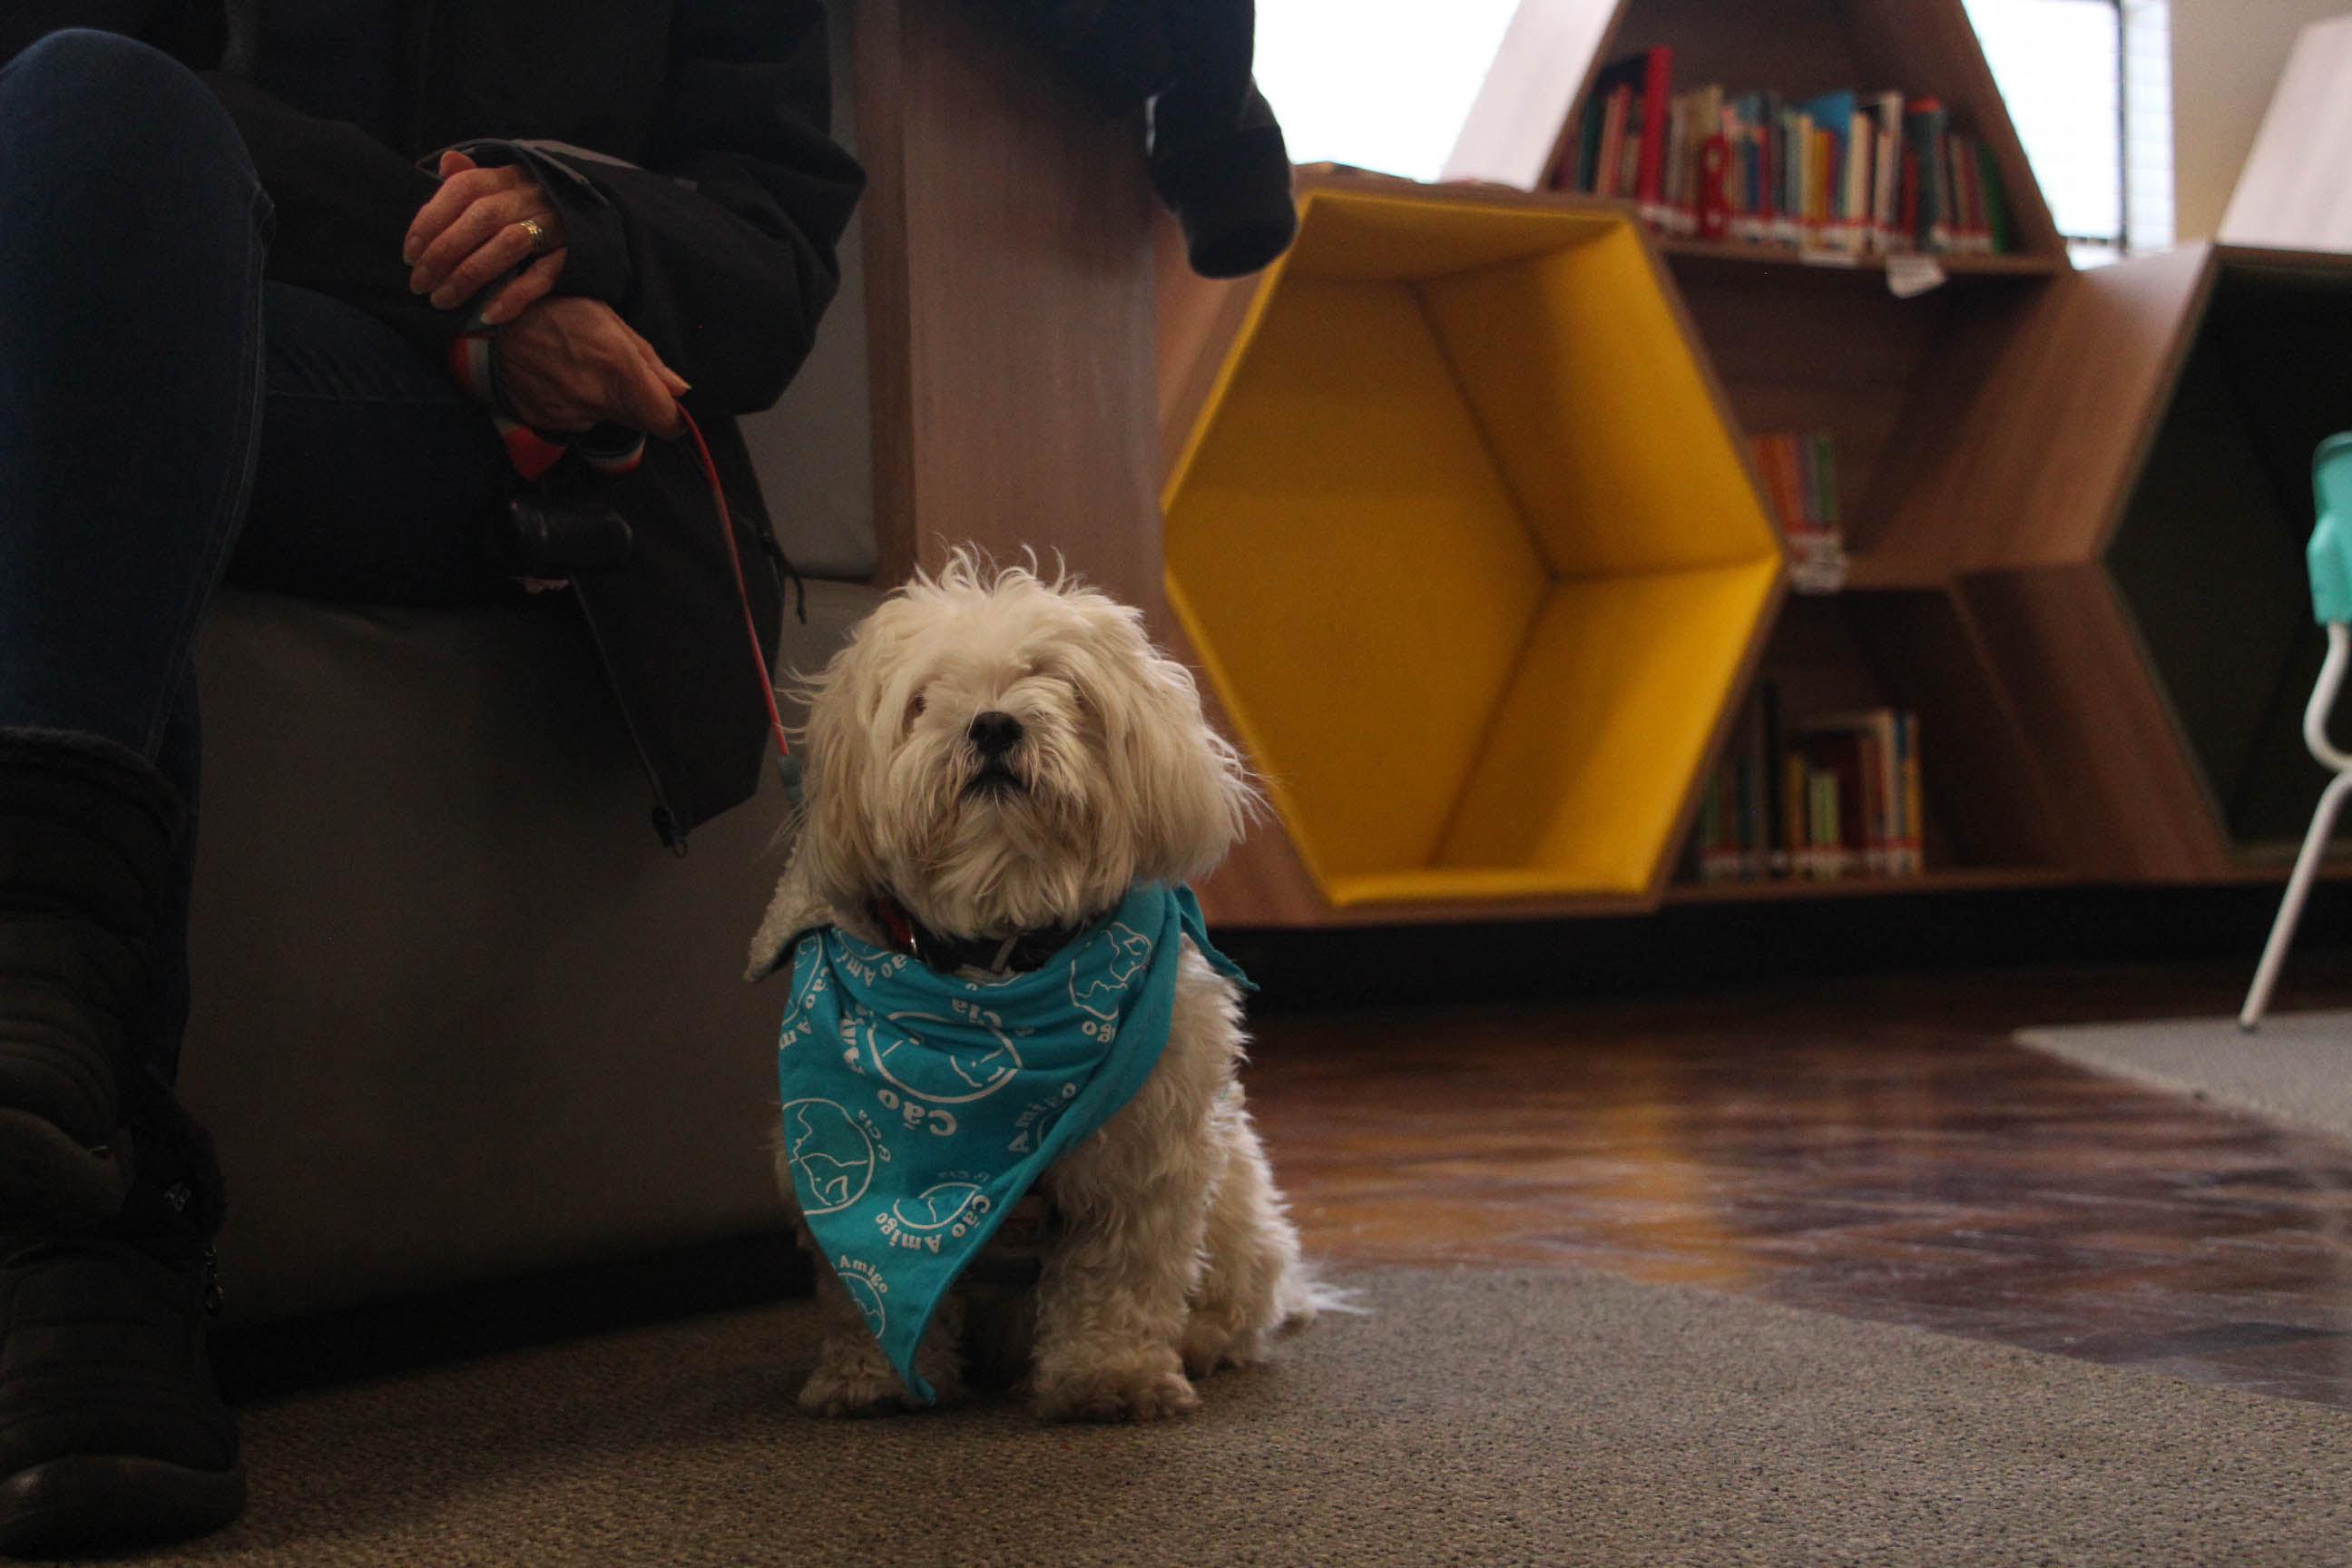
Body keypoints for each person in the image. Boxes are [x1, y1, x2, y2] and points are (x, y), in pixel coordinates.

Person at [0, 1, 864, 1553]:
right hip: (225, 296)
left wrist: (575, 218)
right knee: (92, 118)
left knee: (65, 373)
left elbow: (774, 264)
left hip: (503, 453)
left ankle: (70, 1166)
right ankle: (76, 1210)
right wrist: (442, 270)